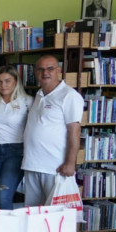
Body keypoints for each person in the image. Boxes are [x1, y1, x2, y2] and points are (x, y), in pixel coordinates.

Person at [22, 55, 84, 206]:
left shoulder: (69, 95)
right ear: (35, 72)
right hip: (32, 164)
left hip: (55, 167)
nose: (45, 73)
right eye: (41, 69)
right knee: (34, 212)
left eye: (50, 69)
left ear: (59, 70)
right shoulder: (39, 94)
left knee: (55, 214)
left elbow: (74, 130)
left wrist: (70, 163)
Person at [0, 66, 33, 210]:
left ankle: (9, 225)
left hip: (15, 152)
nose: (3, 85)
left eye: (7, 81)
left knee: (3, 195)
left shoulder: (27, 101)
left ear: (16, 82)